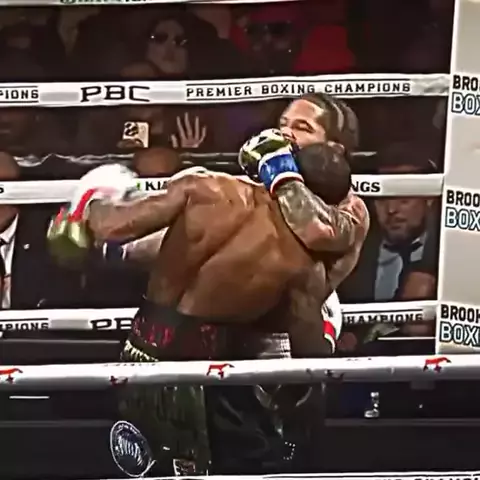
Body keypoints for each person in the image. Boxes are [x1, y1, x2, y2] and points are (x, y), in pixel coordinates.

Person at [47, 129, 359, 476]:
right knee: (245, 463)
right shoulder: (303, 266)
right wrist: (320, 340)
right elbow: (308, 357)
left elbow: (113, 228)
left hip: (141, 350)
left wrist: (87, 209)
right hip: (208, 374)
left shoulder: (205, 185)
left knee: (138, 466)